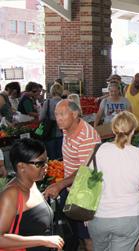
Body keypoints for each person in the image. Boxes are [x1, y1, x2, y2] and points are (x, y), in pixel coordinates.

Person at [88, 111, 139, 250]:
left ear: (113, 129)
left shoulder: (97, 150)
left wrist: (86, 214)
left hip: (98, 218)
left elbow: (89, 184)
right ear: (134, 130)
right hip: (128, 219)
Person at [43, 100, 101, 251]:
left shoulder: (86, 137)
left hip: (84, 192)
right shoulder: (66, 128)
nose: (58, 118)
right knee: (74, 232)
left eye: (62, 114)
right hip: (70, 188)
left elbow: (86, 171)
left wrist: (60, 184)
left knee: (88, 237)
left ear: (75, 114)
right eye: (56, 114)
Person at [0, 138, 64, 250]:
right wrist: (43, 240)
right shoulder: (11, 194)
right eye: (40, 163)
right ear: (21, 167)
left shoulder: (31, 183)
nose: (46, 166)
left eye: (46, 161)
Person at [39, 83, 64, 160]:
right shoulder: (65, 102)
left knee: (52, 158)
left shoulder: (48, 102)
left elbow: (41, 117)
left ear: (51, 91)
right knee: (61, 157)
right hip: (63, 132)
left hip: (49, 133)